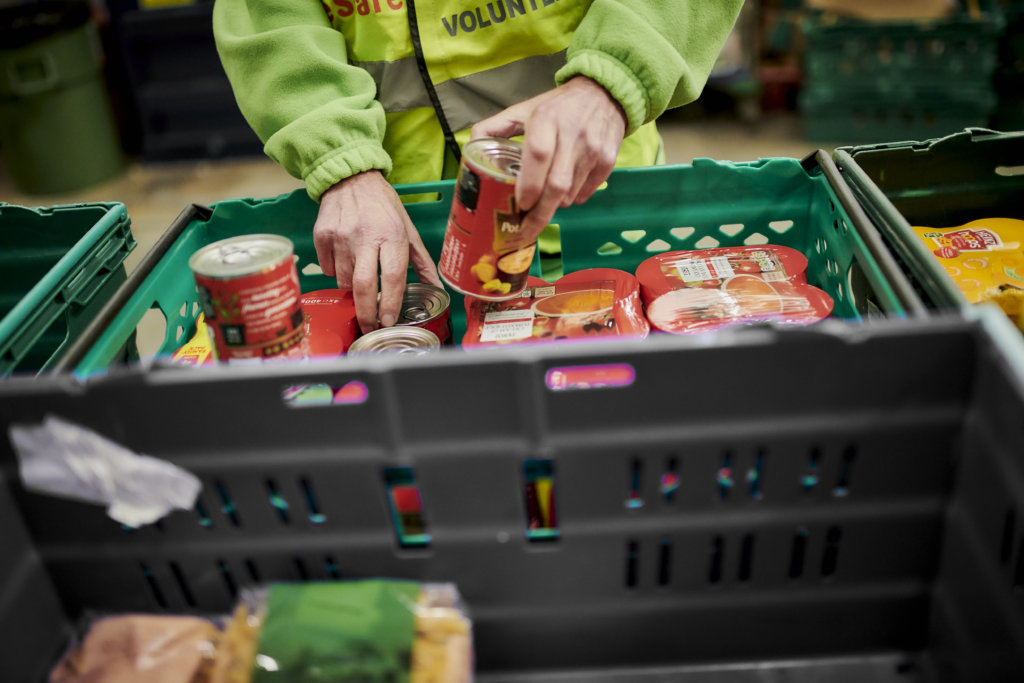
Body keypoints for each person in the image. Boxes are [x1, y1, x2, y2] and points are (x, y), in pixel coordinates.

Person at [213, 1, 744, 333]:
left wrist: (613, 80)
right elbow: (267, 18)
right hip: (401, 224)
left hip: (597, 205)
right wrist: (340, 160)